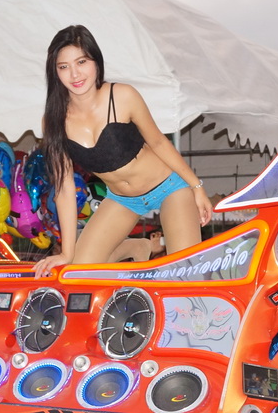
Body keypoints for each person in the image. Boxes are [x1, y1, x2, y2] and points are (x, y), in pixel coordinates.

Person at [33, 25, 212, 277]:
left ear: (96, 61)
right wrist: (66, 253)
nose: (74, 74)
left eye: (82, 62)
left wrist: (196, 186)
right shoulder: (53, 122)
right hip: (122, 199)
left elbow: (159, 142)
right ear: (55, 72)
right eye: (64, 66)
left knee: (183, 275)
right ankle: (134, 247)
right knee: (78, 274)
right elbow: (64, 187)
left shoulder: (122, 96)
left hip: (169, 187)